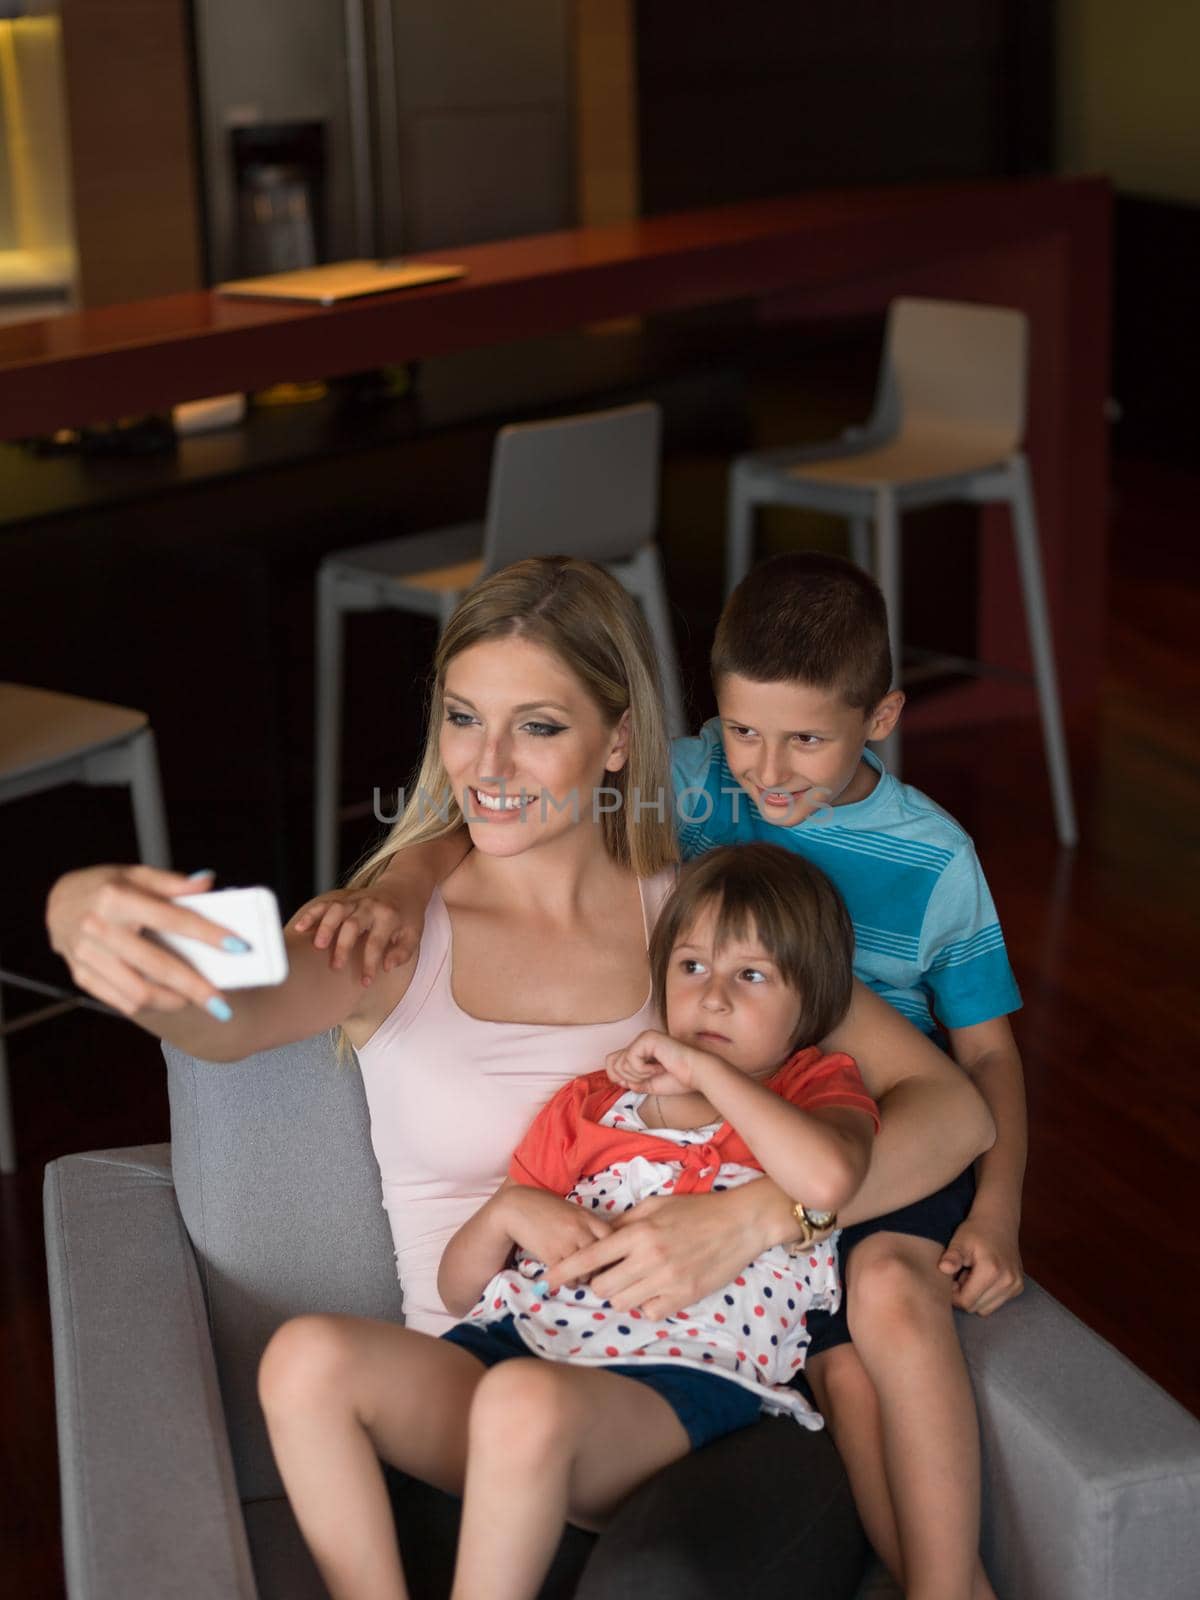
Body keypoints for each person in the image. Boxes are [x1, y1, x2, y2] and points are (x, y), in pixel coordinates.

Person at [46, 556, 994, 1599]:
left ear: (618, 738)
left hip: (700, 1386)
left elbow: (951, 1109)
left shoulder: (695, 924)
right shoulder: (390, 932)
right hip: (480, 1373)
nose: (487, 763)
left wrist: (765, 1216)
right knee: (324, 1364)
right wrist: (86, 912)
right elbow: (218, 1008)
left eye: (538, 726)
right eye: (462, 717)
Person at [264, 842, 880, 1600]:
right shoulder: (592, 1101)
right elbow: (461, 1291)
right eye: (691, 968)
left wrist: (708, 1072)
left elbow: (829, 1180)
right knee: (304, 1357)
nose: (712, 998)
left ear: (811, 998)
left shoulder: (816, 1087)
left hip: (677, 1379)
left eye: (749, 975)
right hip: (518, 1343)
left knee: (522, 1404)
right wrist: (509, 1209)